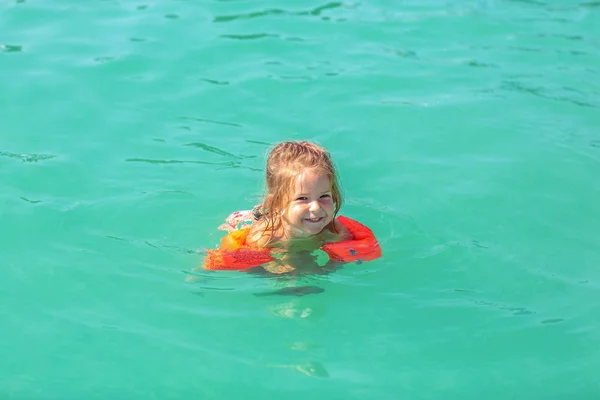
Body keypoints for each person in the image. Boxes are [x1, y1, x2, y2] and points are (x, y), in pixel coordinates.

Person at [202, 140, 380, 274]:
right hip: (273, 230)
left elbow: (340, 259)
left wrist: (326, 270)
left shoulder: (335, 232)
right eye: (303, 198)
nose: (316, 208)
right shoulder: (265, 238)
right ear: (277, 203)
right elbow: (254, 267)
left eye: (324, 196)